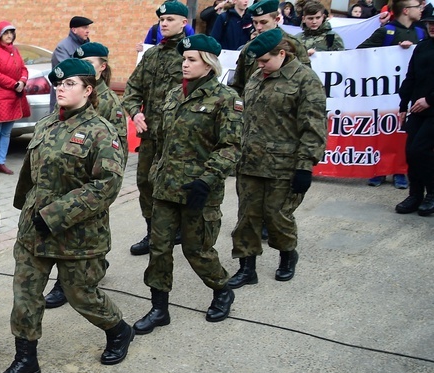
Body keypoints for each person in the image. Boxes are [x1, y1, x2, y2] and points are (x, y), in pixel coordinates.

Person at [0, 58, 132, 373]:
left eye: (69, 83)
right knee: (25, 294)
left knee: (80, 294)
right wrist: (25, 212)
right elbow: (29, 176)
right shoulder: (45, 126)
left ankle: (118, 330)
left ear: (88, 89)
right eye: (59, 83)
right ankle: (26, 359)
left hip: (79, 234)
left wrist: (54, 215)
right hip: (34, 233)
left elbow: (106, 186)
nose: (61, 88)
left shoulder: (102, 132)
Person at [135, 35, 242, 334]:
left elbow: (231, 147)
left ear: (208, 64)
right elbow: (162, 140)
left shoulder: (225, 99)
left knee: (197, 250)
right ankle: (159, 308)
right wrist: (155, 170)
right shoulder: (173, 96)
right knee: (159, 248)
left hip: (199, 190)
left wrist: (207, 180)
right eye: (184, 59)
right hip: (166, 188)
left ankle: (222, 290)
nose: (185, 63)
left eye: (192, 59)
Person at [228, 29, 327, 288]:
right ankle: (247, 267)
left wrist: (305, 166)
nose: (260, 66)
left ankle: (287, 255)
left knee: (276, 216)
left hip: (283, 165)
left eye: (264, 61)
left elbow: (314, 127)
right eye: (258, 62)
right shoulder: (257, 77)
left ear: (282, 53)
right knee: (247, 217)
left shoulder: (305, 80)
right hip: (250, 162)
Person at [41, 42, 129, 311]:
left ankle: (79, 276)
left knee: (85, 234)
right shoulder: (67, 101)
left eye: (90, 64)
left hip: (88, 182)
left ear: (101, 68)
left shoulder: (108, 104)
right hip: (63, 180)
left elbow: (117, 153)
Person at [123, 1, 190, 257]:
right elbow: (132, 90)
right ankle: (153, 232)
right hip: (150, 134)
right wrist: (136, 112)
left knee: (175, 184)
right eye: (161, 20)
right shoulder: (152, 55)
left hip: (178, 137)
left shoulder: (191, 54)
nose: (164, 24)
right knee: (146, 183)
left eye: (170, 19)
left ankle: (178, 230)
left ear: (184, 22)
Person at [359, 0, 425, 189]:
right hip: (385, 91)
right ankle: (380, 170)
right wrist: (392, 50)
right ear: (406, 10)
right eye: (416, 7)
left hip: (409, 92)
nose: (421, 10)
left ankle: (400, 171)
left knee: (403, 132)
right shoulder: (386, 31)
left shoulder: (421, 32)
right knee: (384, 129)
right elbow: (360, 52)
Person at [394, 14, 434, 216]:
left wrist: (430, 100)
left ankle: (432, 193)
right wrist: (403, 105)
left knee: (421, 150)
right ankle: (415, 194)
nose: (432, 27)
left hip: (431, 108)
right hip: (417, 109)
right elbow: (410, 77)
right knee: (411, 152)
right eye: (430, 23)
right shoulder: (423, 46)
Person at [229, 0, 311, 96]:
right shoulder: (249, 47)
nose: (259, 27)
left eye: (263, 22)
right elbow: (238, 84)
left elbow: (307, 82)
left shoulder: (294, 44)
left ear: (276, 19)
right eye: (255, 22)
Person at [0, 21, 31, 175]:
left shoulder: (14, 50)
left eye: (11, 33)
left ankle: (0, 162)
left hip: (14, 95)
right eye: (6, 33)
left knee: (6, 132)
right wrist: (14, 84)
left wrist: (22, 81)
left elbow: (23, 68)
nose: (9, 36)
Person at [50, 15, 93, 110]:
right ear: (74, 30)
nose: (88, 31)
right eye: (84, 27)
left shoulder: (88, 46)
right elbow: (68, 72)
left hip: (83, 96)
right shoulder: (63, 48)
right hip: (66, 97)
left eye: (88, 28)